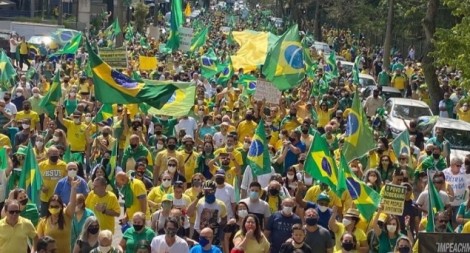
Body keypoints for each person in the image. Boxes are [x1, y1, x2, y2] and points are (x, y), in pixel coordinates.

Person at [37, 177, 79, 253]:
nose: (53, 208)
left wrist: (73, 188)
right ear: (48, 207)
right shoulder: (43, 222)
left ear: (61, 206)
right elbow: (40, 244)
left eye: (56, 206)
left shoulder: (67, 215)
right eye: (51, 206)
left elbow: (72, 203)